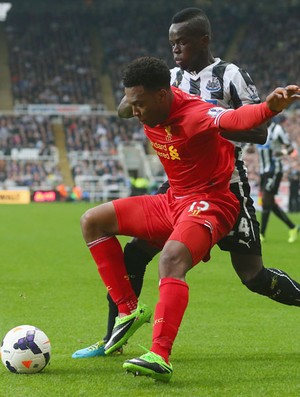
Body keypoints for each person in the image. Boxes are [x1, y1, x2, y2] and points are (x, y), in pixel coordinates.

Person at [72, 8, 300, 361]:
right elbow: (129, 107)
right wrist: (141, 94)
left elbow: (259, 131)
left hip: (228, 186)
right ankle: (113, 336)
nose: (176, 48)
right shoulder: (169, 80)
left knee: (253, 276)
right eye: (171, 43)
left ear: (204, 40)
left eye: (182, 42)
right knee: (134, 252)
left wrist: (206, 120)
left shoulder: (230, 75)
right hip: (179, 187)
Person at [258, 114, 299, 242]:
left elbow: (291, 149)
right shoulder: (260, 130)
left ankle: (261, 234)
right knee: (268, 203)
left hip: (274, 170)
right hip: (263, 171)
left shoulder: (278, 130)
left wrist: (282, 152)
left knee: (266, 200)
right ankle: (293, 227)